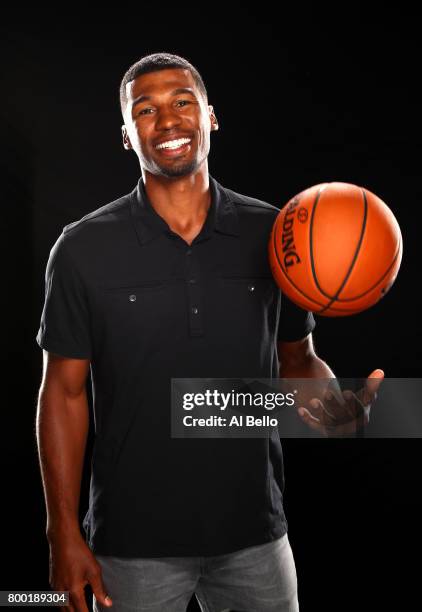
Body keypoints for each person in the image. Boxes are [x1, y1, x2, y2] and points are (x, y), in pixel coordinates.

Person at [35, 52, 383, 612]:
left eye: (182, 102)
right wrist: (62, 534)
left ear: (211, 117)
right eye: (144, 110)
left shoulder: (278, 234)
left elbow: (298, 361)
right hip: (132, 543)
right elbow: (64, 394)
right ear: (127, 135)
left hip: (255, 535)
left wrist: (333, 404)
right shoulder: (81, 250)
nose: (167, 121)